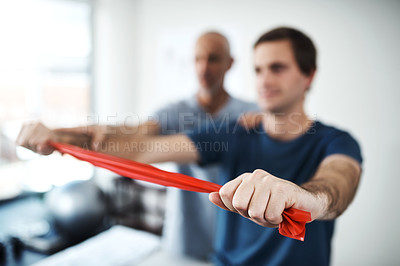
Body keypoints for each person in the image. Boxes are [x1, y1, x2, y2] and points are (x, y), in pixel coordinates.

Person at [17, 27, 362, 265]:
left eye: (277, 67)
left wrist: (308, 199)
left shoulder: (337, 141)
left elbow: (338, 184)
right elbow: (139, 148)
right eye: (258, 69)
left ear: (309, 75)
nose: (265, 79)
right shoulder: (231, 132)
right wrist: (58, 136)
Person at [17, 31, 258, 261]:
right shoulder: (175, 112)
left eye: (213, 59)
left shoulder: (249, 116)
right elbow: (133, 135)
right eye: (197, 58)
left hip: (239, 238)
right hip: (186, 236)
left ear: (230, 63)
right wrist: (56, 136)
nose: (203, 68)